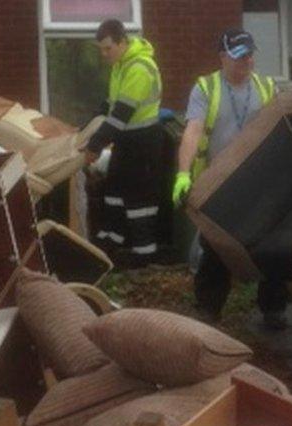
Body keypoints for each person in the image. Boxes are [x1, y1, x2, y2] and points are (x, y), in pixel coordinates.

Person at [173, 29, 287, 330]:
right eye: (239, 56)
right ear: (223, 57)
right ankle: (208, 310)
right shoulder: (206, 88)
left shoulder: (266, 87)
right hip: (219, 180)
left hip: (258, 181)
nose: (247, 61)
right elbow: (193, 132)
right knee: (215, 245)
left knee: (270, 243)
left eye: (250, 54)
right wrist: (183, 174)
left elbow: (280, 130)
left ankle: (273, 309)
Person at [84, 19, 164, 268]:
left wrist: (94, 146)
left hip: (143, 142)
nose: (104, 54)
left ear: (122, 42)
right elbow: (109, 105)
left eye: (108, 48)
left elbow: (120, 116)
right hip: (127, 141)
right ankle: (111, 242)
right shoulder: (121, 65)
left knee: (139, 200)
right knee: (114, 189)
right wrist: (85, 128)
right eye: (101, 49)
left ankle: (144, 256)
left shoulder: (139, 68)